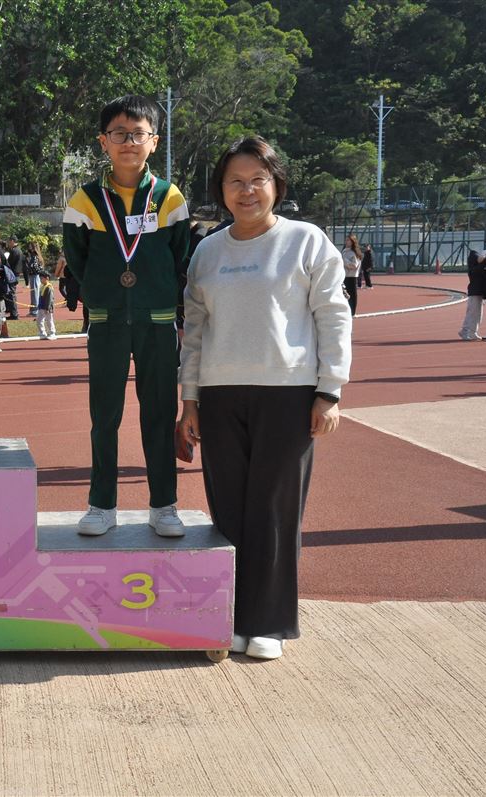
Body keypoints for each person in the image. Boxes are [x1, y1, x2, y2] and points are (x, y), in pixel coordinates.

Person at [177, 136, 351, 660]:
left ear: (276, 184)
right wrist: (190, 401)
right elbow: (194, 332)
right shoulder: (208, 251)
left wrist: (329, 390)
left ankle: (269, 624)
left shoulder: (306, 241)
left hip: (288, 394)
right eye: (235, 181)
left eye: (258, 180)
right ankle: (230, 616)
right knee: (229, 511)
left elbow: (333, 315)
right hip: (220, 395)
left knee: (274, 510)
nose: (247, 190)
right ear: (221, 190)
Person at [62, 94, 191, 539]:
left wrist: (157, 294)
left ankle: (164, 505)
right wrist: (103, 296)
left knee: (159, 414)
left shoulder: (169, 197)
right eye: (119, 134)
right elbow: (77, 259)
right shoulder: (85, 200)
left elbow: (179, 256)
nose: (129, 142)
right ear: (104, 141)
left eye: (138, 134)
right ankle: (102, 505)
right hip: (107, 320)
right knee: (105, 417)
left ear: (154, 141)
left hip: (157, 320)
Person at [459, 245, 486, 340]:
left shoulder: (473, 267)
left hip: (474, 291)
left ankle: (465, 330)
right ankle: (472, 332)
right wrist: (483, 262)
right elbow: (478, 270)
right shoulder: (476, 268)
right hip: (476, 291)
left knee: (471, 312)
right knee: (476, 313)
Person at [22, 240, 44, 317]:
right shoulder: (34, 256)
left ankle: (35, 311)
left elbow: (36, 267)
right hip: (34, 276)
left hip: (35, 276)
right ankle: (33, 310)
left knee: (35, 294)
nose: (29, 247)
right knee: (34, 294)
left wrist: (30, 268)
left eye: (30, 246)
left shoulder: (35, 257)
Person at [3, 235, 23, 319]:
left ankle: (14, 314)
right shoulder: (19, 250)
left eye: (9, 241)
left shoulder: (14, 251)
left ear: (12, 241)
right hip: (16, 274)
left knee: (11, 294)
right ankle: (12, 312)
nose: (8, 243)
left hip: (13, 275)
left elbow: (9, 264)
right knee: (11, 294)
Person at [341, 234, 360, 314]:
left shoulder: (354, 253)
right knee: (344, 294)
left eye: (348, 240)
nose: (346, 241)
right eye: (346, 240)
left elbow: (354, 265)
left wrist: (344, 261)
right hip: (344, 276)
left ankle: (352, 312)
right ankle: (346, 310)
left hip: (351, 276)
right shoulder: (344, 251)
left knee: (352, 294)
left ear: (352, 242)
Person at [35, 270, 56, 339]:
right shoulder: (42, 286)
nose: (40, 280)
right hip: (41, 307)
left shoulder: (49, 287)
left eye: (42, 278)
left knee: (49, 320)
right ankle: (42, 333)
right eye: (40, 278)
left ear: (47, 278)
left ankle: (52, 333)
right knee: (39, 320)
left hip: (47, 308)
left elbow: (49, 299)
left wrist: (47, 308)